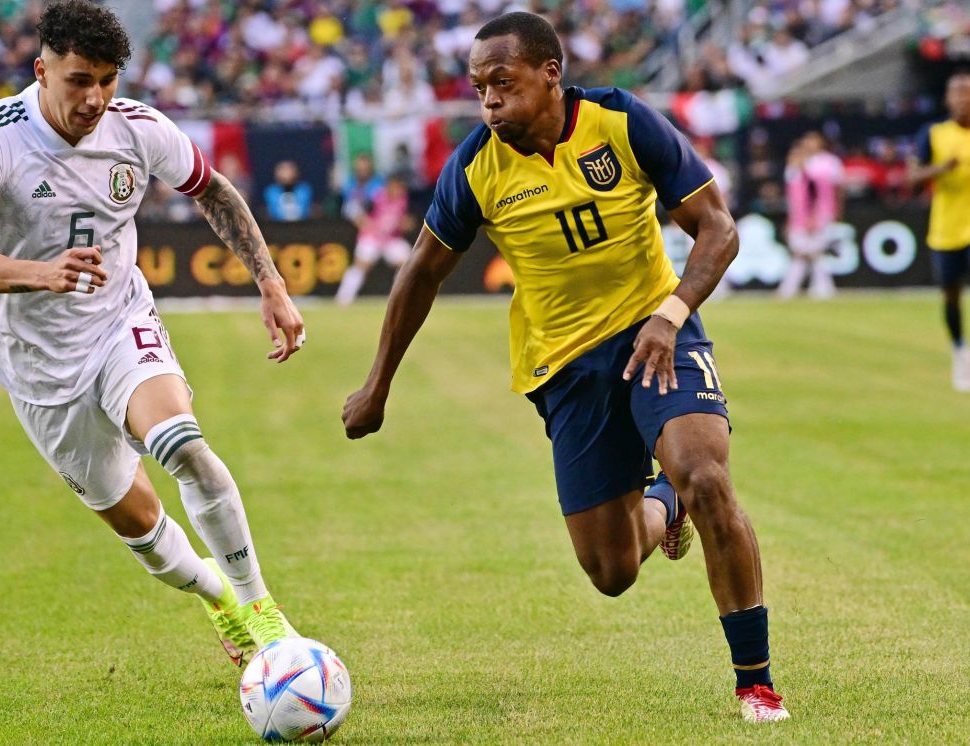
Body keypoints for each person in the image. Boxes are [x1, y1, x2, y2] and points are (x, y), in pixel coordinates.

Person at [342, 11, 789, 723]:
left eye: (503, 84)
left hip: (656, 333)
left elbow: (718, 228)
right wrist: (377, 385)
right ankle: (662, 504)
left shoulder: (620, 122)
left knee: (705, 472)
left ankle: (756, 683)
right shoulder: (476, 169)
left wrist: (671, 315)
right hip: (562, 365)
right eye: (480, 89)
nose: (489, 103)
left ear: (551, 74)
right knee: (611, 573)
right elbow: (421, 273)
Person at [0, 0, 302, 667]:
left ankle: (264, 613)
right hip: (37, 363)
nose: (96, 97)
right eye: (80, 80)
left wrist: (270, 283)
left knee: (184, 445)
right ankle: (219, 597)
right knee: (140, 527)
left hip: (119, 322)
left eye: (108, 80)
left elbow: (213, 189)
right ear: (41, 71)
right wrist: (40, 274)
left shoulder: (137, 129)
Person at [909, 71, 970, 392]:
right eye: (958, 94)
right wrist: (940, 168)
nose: (964, 99)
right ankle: (960, 351)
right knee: (952, 295)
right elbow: (910, 176)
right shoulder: (934, 134)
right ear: (948, 99)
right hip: (947, 225)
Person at [779, 131, 843, 300]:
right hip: (798, 218)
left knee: (810, 253)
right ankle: (819, 289)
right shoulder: (794, 169)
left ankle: (797, 289)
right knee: (806, 254)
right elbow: (793, 199)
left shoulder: (822, 165)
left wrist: (814, 217)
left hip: (817, 216)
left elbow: (815, 194)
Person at [335, 175, 413, 305]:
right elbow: (354, 211)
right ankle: (343, 298)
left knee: (407, 263)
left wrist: (404, 224)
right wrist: (369, 225)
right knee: (361, 265)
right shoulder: (375, 196)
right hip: (372, 237)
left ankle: (399, 297)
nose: (399, 190)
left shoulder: (403, 200)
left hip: (390, 239)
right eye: (397, 187)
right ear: (390, 185)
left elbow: (407, 221)